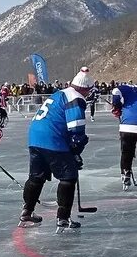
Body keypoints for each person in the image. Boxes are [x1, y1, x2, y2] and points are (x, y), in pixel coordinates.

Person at [21, 69, 92, 232]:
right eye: (89, 90)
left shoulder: (60, 93)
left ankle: (27, 212)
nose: (88, 94)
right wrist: (76, 151)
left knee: (36, 177)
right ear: (84, 88)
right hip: (52, 139)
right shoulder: (76, 97)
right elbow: (76, 130)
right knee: (68, 176)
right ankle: (63, 218)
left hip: (35, 137)